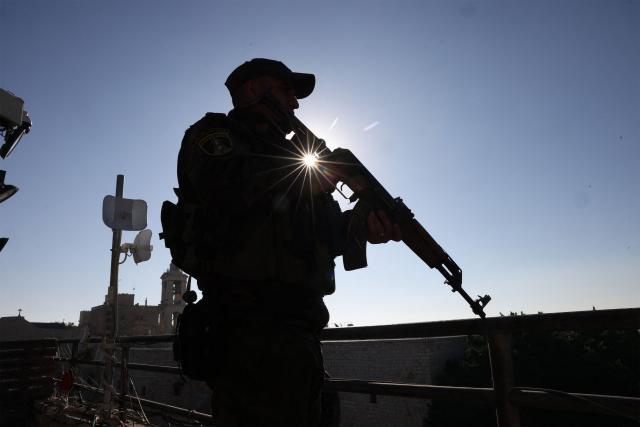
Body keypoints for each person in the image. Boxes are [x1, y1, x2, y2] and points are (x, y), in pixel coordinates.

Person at [166, 58, 400, 427]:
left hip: (299, 332)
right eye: (287, 90)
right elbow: (226, 187)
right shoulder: (216, 135)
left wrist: (362, 227)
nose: (295, 102)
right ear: (253, 90)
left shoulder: (296, 157)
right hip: (247, 330)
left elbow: (320, 234)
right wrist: (309, 175)